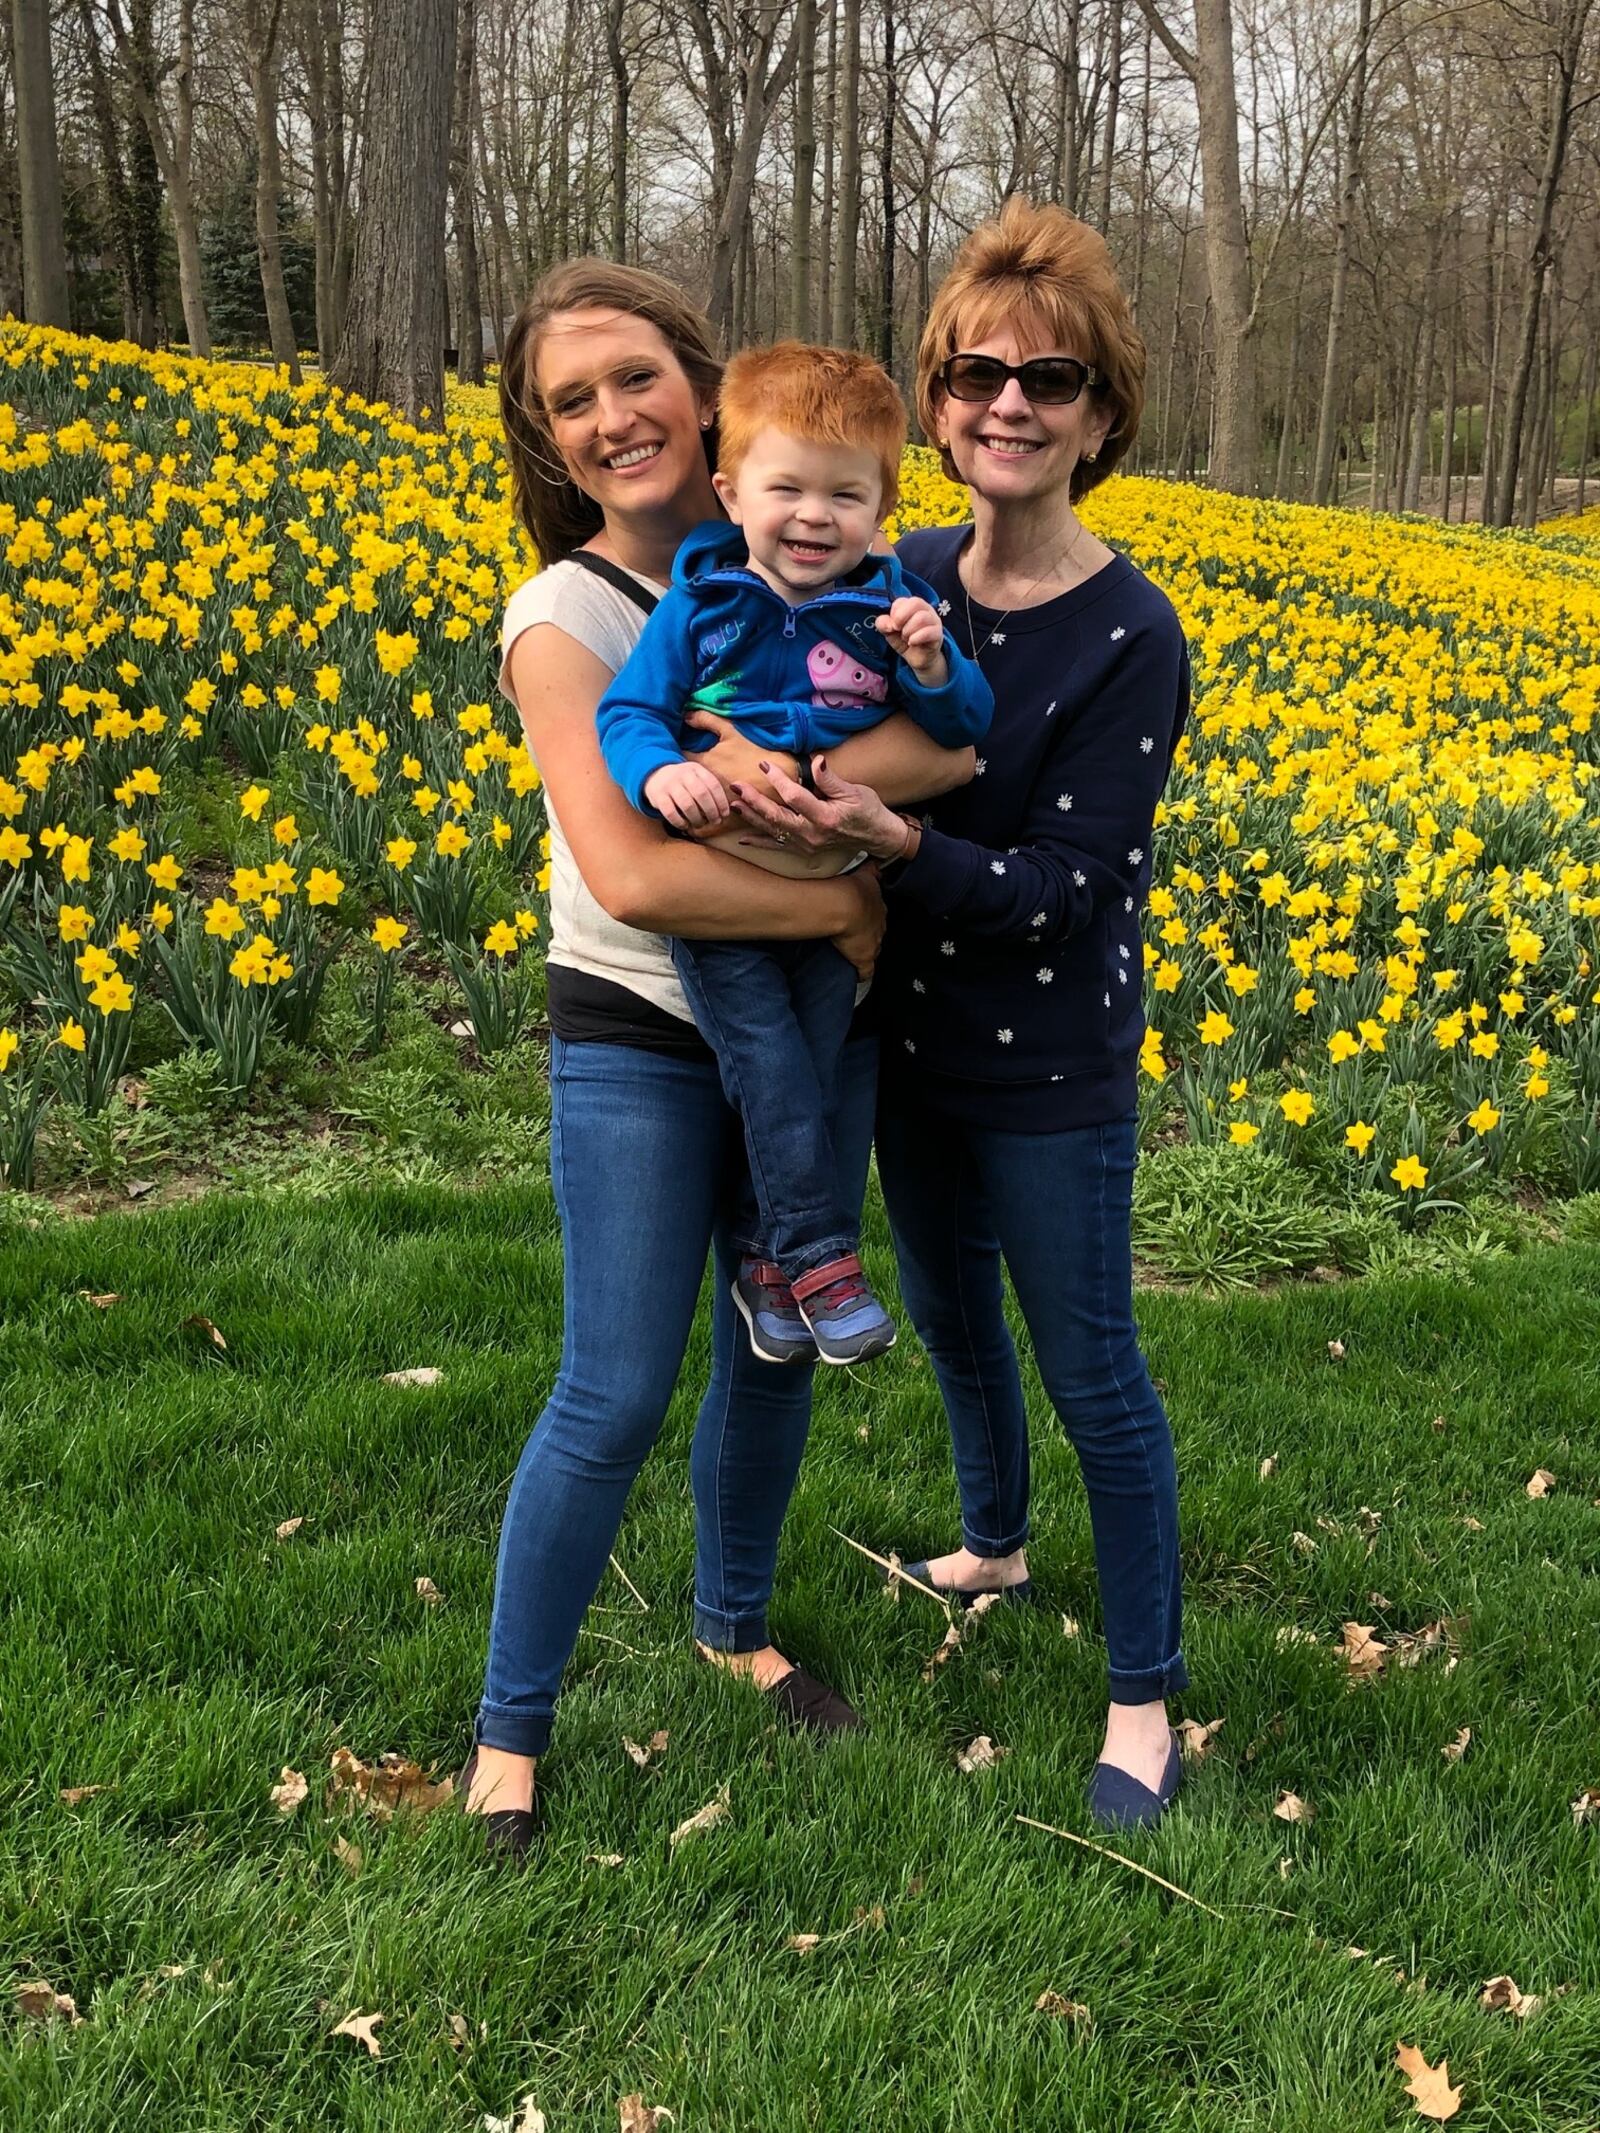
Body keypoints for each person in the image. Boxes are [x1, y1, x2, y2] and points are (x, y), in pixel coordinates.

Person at [463, 260, 976, 1860]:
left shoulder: (808, 573)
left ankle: (733, 1623)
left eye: (635, 379)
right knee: (612, 1386)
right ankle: (508, 1728)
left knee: (777, 1341)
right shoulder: (568, 615)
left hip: (812, 1029)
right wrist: (836, 914)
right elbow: (633, 873)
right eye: (571, 400)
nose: (613, 418)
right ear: (547, 441)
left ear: (703, 389)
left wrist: (780, 761)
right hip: (639, 1032)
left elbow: (947, 741)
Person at [726, 199, 1192, 1830]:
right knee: (948, 1320)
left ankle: (1145, 1697)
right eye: (978, 372)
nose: (1011, 402)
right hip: (901, 1046)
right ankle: (993, 1536)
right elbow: (766, 679)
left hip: (1052, 1065)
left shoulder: (1132, 632)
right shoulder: (900, 574)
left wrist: (894, 842)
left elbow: (1069, 888)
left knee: (1097, 1372)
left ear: (1101, 415)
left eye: (1049, 379)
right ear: (934, 404)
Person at [595, 343, 992, 1368]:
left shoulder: (888, 615)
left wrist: (932, 663)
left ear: (882, 506)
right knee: (769, 1067)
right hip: (724, 893)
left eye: (845, 495)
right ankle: (819, 1256)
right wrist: (655, 776)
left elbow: (962, 728)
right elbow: (630, 712)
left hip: (834, 884)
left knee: (805, 1078)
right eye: (787, 489)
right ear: (731, 493)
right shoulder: (703, 607)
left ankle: (767, 1275)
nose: (815, 517)